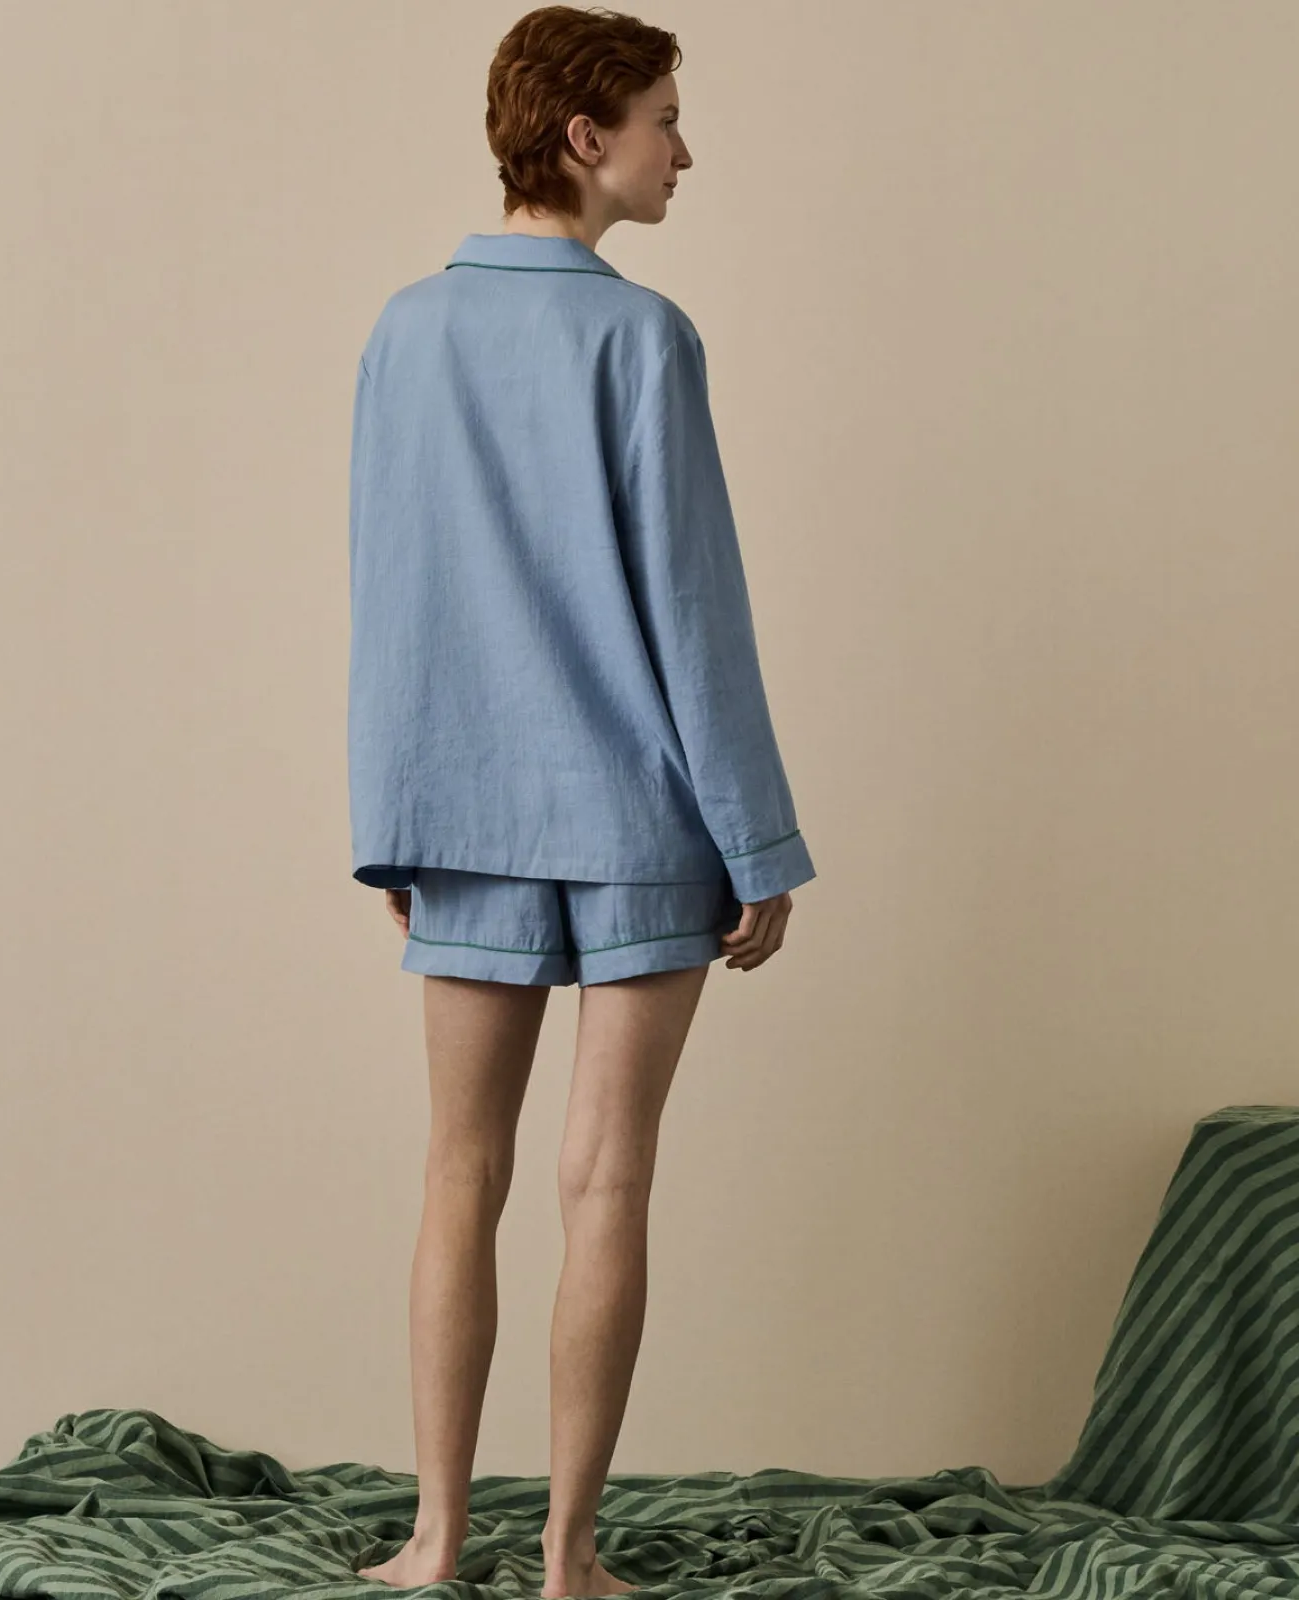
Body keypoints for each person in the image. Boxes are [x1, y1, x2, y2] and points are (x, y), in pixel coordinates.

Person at [349, 8, 815, 1597]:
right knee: (605, 1179)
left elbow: (391, 596)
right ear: (584, 136)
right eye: (666, 118)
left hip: (463, 812)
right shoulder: (643, 339)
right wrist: (757, 842)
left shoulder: (406, 332)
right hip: (639, 819)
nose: (686, 150)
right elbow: (697, 614)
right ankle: (567, 1561)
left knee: (456, 1174)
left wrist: (392, 820)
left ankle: (432, 1543)